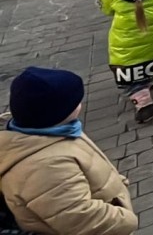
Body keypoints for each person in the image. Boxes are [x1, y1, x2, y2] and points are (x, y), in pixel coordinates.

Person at [0, 66, 139, 235]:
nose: (80, 105)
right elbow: (80, 218)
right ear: (58, 112)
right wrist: (126, 219)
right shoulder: (45, 166)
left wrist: (117, 186)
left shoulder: (54, 131)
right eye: (75, 102)